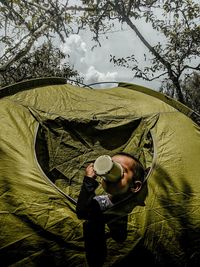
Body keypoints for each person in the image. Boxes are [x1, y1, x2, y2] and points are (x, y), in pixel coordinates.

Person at [76, 152, 145, 267]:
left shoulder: (137, 206)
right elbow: (82, 212)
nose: (110, 171)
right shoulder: (100, 203)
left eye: (121, 170)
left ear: (135, 186)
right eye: (112, 165)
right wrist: (89, 181)